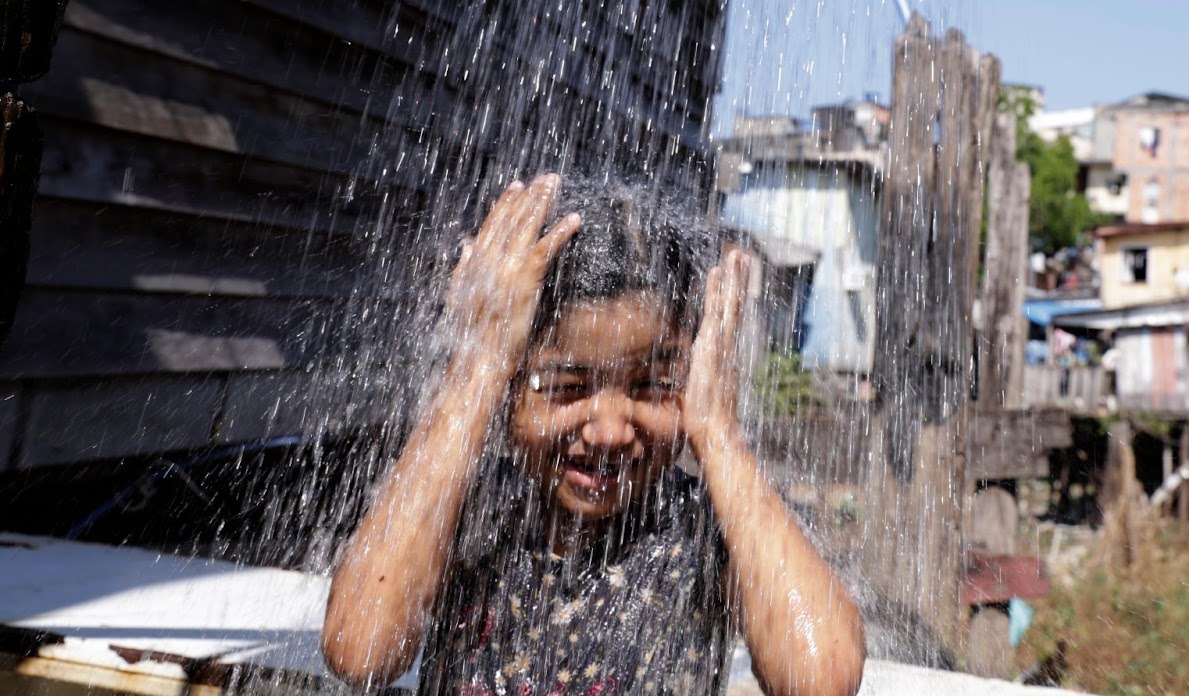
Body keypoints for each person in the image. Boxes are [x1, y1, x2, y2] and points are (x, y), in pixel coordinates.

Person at [321, 175, 866, 696]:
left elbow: (822, 677)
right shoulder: (468, 505)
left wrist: (719, 433)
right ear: (508, 387)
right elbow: (360, 651)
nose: (609, 431)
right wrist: (473, 370)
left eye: (653, 386)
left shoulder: (706, 529)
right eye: (566, 386)